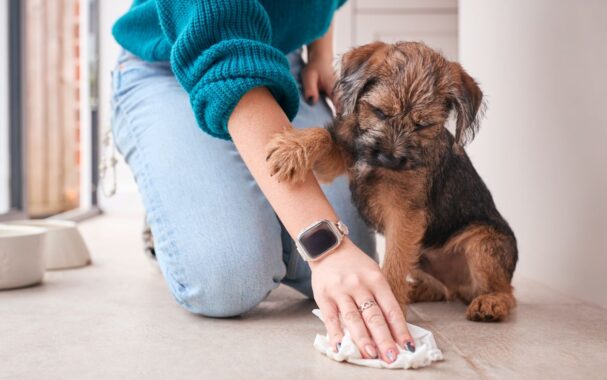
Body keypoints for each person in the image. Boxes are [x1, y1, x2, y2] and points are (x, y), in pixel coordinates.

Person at [111, 0, 415, 363]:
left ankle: (213, 191)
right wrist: (325, 246)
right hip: (176, 60)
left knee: (348, 256)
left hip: (280, 59)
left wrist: (321, 51)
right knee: (230, 278)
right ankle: (174, 202)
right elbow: (222, 46)